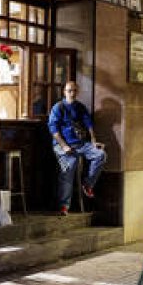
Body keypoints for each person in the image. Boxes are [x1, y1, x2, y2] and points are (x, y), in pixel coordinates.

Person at [47, 81, 106, 215]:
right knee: (69, 168)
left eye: (74, 91)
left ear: (77, 92)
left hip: (81, 143)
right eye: (69, 91)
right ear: (64, 92)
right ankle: (64, 206)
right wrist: (64, 146)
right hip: (63, 145)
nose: (72, 93)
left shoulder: (80, 107)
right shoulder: (58, 107)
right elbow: (54, 130)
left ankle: (88, 184)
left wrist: (93, 141)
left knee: (100, 154)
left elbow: (89, 124)